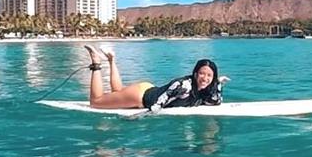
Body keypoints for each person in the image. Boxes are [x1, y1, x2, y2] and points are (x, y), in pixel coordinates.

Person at [83, 45, 227, 114]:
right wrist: (141, 116)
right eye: (202, 73)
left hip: (148, 89)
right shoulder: (184, 85)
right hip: (140, 97)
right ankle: (96, 62)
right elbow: (161, 101)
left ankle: (111, 60)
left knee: (118, 92)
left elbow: (215, 101)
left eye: (209, 76)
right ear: (195, 73)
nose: (205, 78)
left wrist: (218, 84)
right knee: (96, 102)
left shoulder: (204, 89)